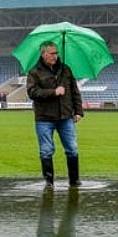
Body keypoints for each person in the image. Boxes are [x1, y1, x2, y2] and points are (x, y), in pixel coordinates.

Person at [26, 40, 83, 187]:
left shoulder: (66, 70)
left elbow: (74, 92)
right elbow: (32, 92)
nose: (55, 56)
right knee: (46, 151)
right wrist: (53, 92)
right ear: (43, 54)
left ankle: (74, 180)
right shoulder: (34, 72)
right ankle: (49, 182)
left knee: (72, 149)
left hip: (65, 117)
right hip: (44, 118)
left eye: (56, 53)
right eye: (52, 53)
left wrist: (78, 111)